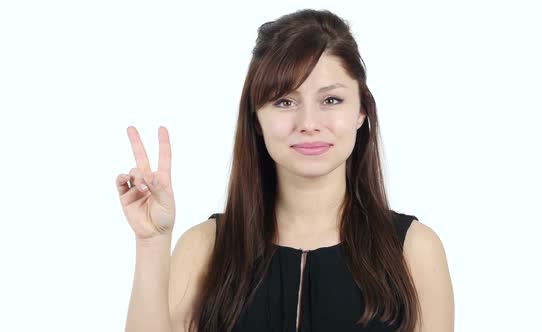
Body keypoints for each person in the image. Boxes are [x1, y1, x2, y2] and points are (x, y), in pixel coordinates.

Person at [118, 8, 454, 332]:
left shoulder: (414, 251)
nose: (308, 123)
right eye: (284, 101)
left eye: (331, 100)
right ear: (257, 119)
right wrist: (152, 243)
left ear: (361, 112)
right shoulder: (205, 248)